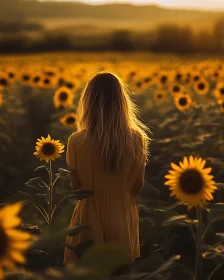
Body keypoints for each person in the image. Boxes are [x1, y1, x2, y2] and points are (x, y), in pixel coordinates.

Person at [63, 72, 150, 274]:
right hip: (122, 218)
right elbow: (138, 183)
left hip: (87, 221)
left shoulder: (76, 142)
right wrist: (120, 199)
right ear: (122, 102)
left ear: (88, 102)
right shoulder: (137, 139)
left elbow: (78, 189)